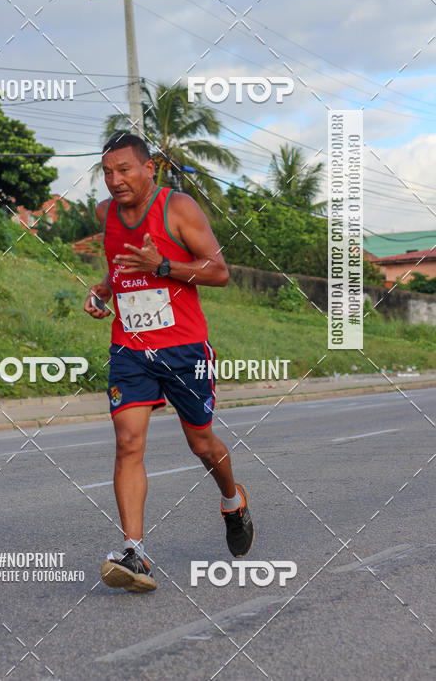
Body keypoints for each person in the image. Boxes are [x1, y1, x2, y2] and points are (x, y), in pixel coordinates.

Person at [84, 134, 253, 592]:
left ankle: (232, 500)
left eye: (124, 169)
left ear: (149, 169)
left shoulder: (176, 208)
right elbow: (120, 268)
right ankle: (133, 551)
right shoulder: (106, 214)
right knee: (127, 442)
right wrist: (102, 290)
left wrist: (162, 266)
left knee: (201, 444)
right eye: (107, 171)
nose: (115, 180)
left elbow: (218, 272)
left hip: (183, 349)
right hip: (130, 350)